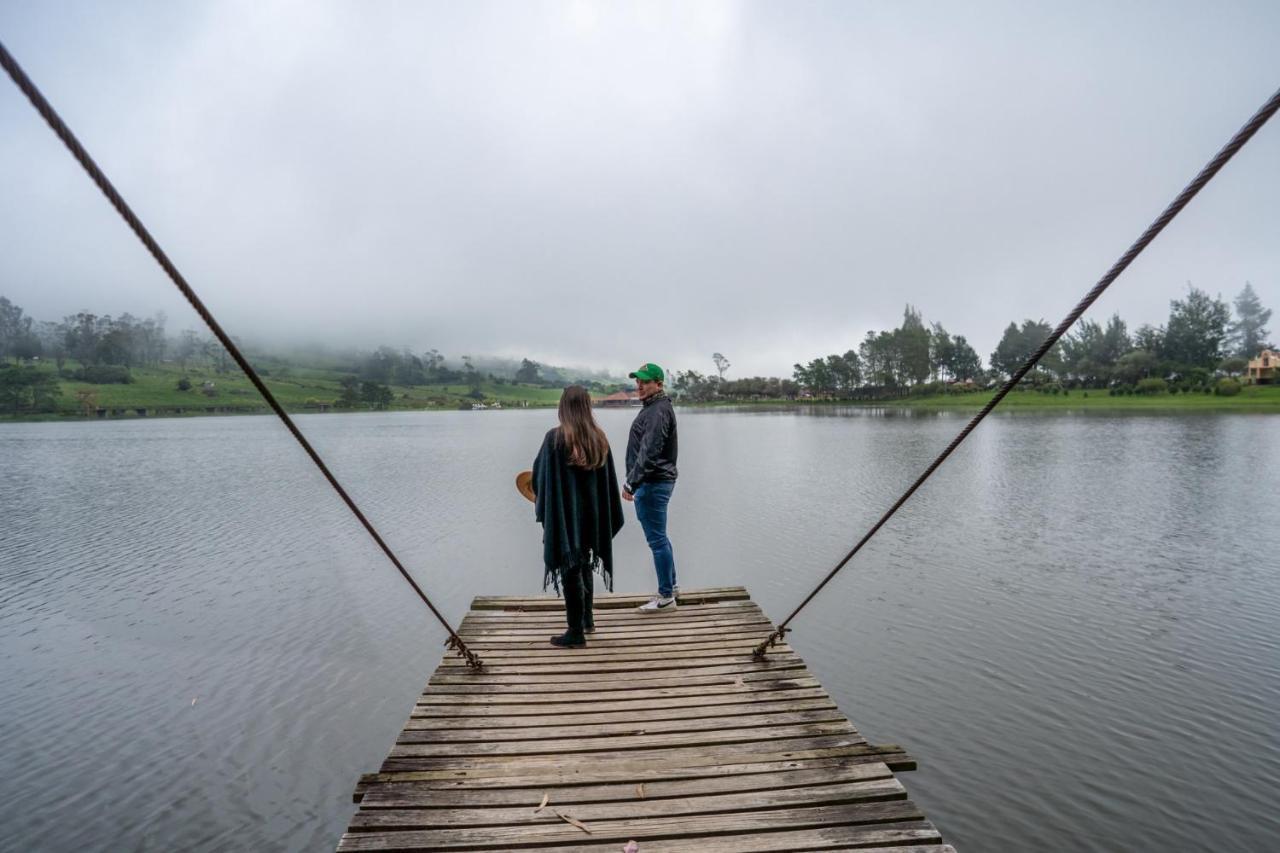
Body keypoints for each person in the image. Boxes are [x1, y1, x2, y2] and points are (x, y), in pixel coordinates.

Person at [531, 385, 625, 647]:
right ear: (587, 407)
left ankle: (575, 632)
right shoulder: (600, 438)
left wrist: (542, 497)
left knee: (570, 566)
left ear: (563, 407)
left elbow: (539, 477)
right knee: (583, 561)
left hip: (566, 517)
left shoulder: (555, 439)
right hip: (592, 518)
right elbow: (608, 484)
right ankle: (587, 620)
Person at [622, 362, 679, 612]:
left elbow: (650, 450)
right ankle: (671, 587)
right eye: (638, 381)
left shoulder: (657, 410)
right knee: (661, 538)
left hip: (652, 482)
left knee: (656, 541)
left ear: (659, 383)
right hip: (656, 481)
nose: (640, 385)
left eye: (645, 381)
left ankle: (666, 597)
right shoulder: (656, 407)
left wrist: (631, 483)